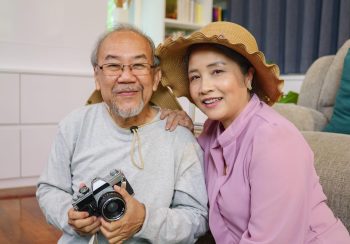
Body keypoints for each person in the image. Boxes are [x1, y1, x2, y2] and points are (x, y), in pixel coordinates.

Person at [157, 21, 350, 243]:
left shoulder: (274, 139)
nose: (204, 87)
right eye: (195, 77)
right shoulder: (212, 130)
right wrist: (184, 132)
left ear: (248, 77)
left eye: (217, 71)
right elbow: (187, 184)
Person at [36, 24, 208, 244]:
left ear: (155, 78)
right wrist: (67, 215)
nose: (126, 77)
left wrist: (145, 220)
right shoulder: (73, 126)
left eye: (138, 65)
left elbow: (197, 219)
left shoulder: (179, 138)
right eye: (113, 65)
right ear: (97, 77)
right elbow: (49, 188)